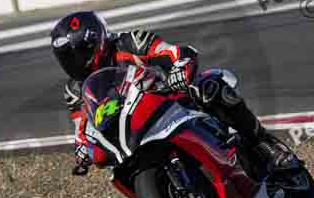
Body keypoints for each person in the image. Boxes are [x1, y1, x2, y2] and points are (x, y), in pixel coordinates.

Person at [50, 10, 297, 175]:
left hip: (167, 99)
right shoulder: (74, 90)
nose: (75, 61)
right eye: (68, 57)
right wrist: (82, 150)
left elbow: (176, 52)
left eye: (80, 52)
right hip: (130, 132)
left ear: (97, 42)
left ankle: (264, 145)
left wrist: (180, 70)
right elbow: (82, 127)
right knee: (110, 163)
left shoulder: (130, 43)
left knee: (210, 88)